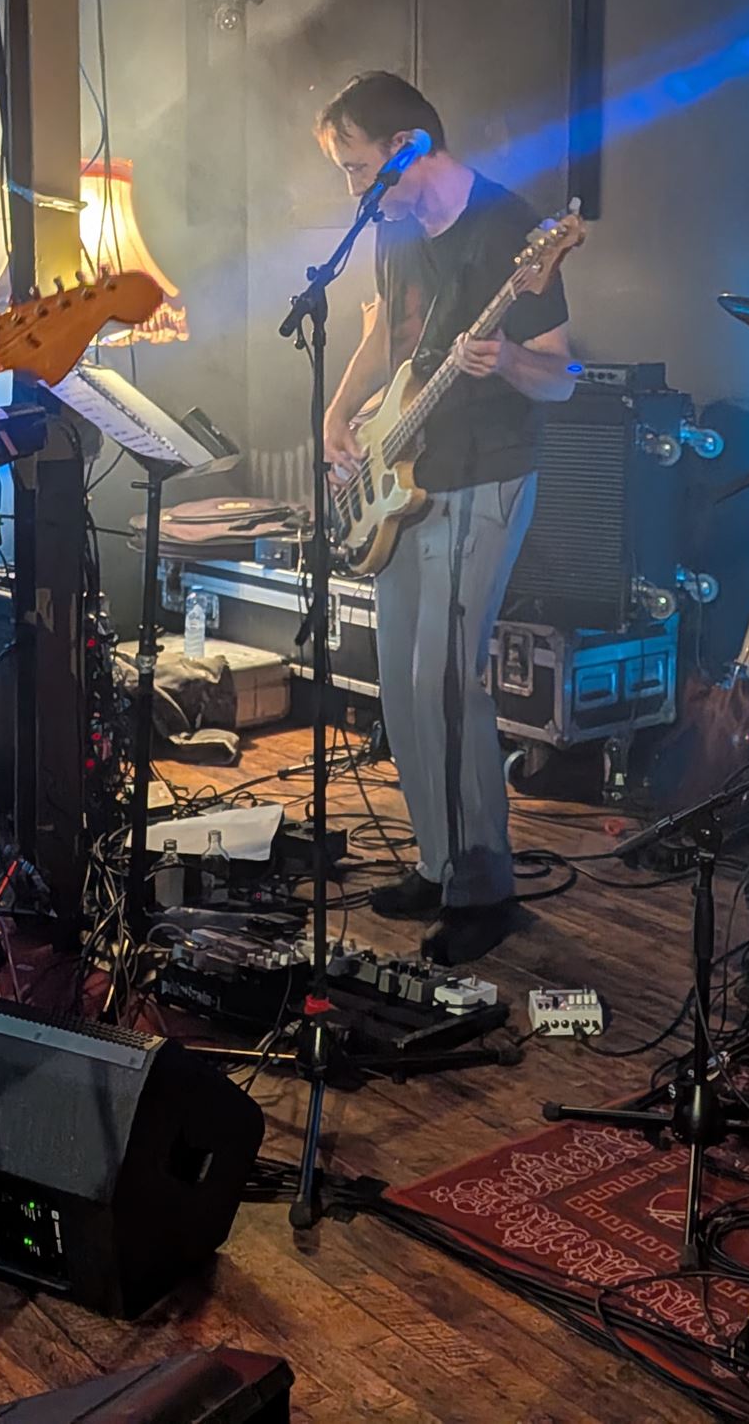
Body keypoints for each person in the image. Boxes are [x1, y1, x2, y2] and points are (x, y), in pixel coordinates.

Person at [317, 72, 574, 965]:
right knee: (399, 678)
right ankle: (436, 860)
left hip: (485, 473)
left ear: (407, 147)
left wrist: (506, 361)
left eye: (357, 166)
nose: (354, 187)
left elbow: (562, 374)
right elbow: (387, 333)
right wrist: (338, 413)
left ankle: (484, 884)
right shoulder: (394, 232)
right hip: (407, 471)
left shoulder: (511, 229)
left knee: (445, 679)